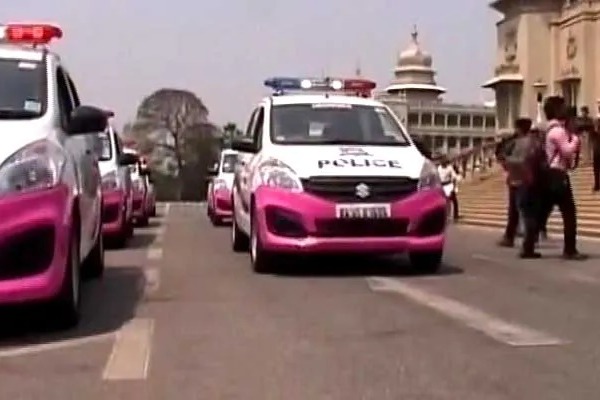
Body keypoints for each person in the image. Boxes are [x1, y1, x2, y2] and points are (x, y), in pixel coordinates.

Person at [541, 96, 587, 260]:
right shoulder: (558, 131)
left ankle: (529, 243)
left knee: (542, 211)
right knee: (569, 213)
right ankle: (570, 249)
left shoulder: (550, 129)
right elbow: (567, 151)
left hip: (551, 174)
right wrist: (575, 139)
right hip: (558, 174)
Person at [496, 117, 532, 247]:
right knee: (517, 211)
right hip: (520, 179)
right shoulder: (531, 142)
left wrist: (506, 160)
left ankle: (519, 239)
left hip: (521, 179)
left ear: (518, 129)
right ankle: (512, 236)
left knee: (519, 211)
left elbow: (516, 160)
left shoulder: (520, 143)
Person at [438, 156, 460, 221]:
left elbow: (454, 175)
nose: (443, 163)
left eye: (444, 162)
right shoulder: (439, 168)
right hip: (442, 185)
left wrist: (456, 179)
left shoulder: (449, 168)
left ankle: (455, 215)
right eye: (442, 162)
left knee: (454, 200)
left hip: (448, 185)